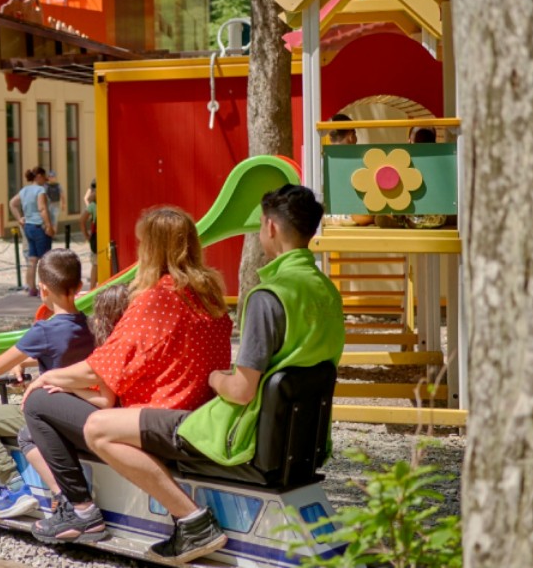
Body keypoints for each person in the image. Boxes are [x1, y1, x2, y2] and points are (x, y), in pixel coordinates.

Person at [83, 185, 346, 564]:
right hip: (302, 438)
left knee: (97, 428)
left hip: (239, 434)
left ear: (271, 227)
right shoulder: (327, 292)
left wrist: (214, 379)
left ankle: (192, 522)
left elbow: (241, 391)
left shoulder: (270, 296)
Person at [21, 206, 233, 545]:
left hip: (158, 417)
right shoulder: (210, 297)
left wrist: (48, 378)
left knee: (38, 403)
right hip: (195, 412)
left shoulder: (157, 298)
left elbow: (98, 367)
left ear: (153, 250)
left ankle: (80, 511)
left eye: (142, 244)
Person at [0, 249, 96, 519]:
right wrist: (25, 363)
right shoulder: (89, 325)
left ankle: (15, 488)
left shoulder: (44, 329)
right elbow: (63, 353)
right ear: (79, 286)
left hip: (50, 414)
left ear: (42, 289)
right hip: (82, 408)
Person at [9, 167, 55, 296]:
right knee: (45, 260)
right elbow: (42, 208)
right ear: (39, 176)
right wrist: (49, 226)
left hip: (28, 226)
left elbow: (12, 203)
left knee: (32, 259)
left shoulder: (24, 190)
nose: (45, 179)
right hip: (39, 226)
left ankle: (32, 288)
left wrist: (20, 218)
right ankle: (44, 290)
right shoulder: (40, 190)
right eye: (44, 176)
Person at [80, 180, 98, 289]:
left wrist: (86, 235)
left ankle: (92, 288)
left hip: (96, 237)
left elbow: (82, 220)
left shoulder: (93, 205)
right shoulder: (95, 205)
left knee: (95, 263)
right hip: (101, 238)